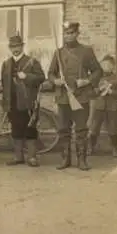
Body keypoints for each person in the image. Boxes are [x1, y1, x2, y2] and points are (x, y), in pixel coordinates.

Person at [47, 21, 102, 171]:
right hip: (64, 97)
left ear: (77, 33)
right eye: (66, 33)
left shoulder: (86, 51)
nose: (68, 36)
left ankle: (82, 160)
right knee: (64, 129)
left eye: (71, 33)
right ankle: (65, 159)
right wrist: (56, 80)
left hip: (80, 96)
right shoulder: (58, 53)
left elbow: (98, 71)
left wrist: (87, 81)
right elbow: (50, 73)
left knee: (81, 130)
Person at [0, 34, 45, 167]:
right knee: (16, 129)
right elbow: (3, 83)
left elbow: (41, 78)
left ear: (22, 46)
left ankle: (32, 157)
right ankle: (18, 157)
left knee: (30, 129)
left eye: (18, 46)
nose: (15, 49)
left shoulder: (31, 62)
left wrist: (27, 76)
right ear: (9, 48)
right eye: (12, 46)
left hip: (28, 102)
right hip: (12, 102)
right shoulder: (6, 64)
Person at [88, 55, 117, 157]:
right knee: (94, 128)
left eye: (108, 65)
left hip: (112, 107)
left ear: (113, 66)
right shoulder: (97, 78)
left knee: (113, 128)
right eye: (103, 64)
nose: (105, 67)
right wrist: (99, 89)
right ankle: (91, 147)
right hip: (99, 107)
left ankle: (114, 149)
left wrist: (111, 91)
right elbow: (91, 93)